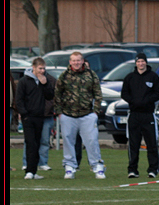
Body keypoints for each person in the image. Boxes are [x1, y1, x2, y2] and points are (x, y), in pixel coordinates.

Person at [54, 51, 105, 179]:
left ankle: (97, 166)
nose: (76, 63)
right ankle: (70, 167)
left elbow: (98, 94)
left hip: (87, 114)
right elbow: (57, 95)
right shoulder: (64, 76)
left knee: (92, 141)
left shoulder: (91, 75)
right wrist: (59, 113)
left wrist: (96, 111)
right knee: (68, 141)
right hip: (68, 115)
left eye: (78, 60)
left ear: (82, 61)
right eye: (74, 60)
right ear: (70, 62)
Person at [121, 52, 159, 178]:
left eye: (143, 61)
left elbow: (158, 93)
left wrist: (146, 100)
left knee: (151, 143)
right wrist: (134, 101)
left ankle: (153, 169)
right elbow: (124, 94)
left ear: (146, 62)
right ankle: (132, 170)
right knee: (133, 144)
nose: (141, 63)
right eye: (138, 61)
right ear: (136, 63)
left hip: (148, 115)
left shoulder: (153, 77)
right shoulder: (130, 77)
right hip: (134, 115)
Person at [16, 57, 56, 180]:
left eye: (44, 68)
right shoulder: (24, 81)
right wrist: (24, 114)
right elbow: (19, 99)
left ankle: (33, 171)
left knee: (37, 143)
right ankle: (28, 170)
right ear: (34, 68)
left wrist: (44, 84)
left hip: (40, 117)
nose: (42, 71)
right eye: (40, 68)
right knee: (31, 143)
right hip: (28, 117)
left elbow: (50, 95)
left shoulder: (45, 80)